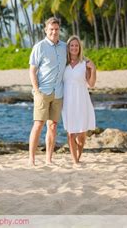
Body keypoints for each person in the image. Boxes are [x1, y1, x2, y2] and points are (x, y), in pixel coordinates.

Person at [28, 17, 67, 166]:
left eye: (56, 29)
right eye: (51, 29)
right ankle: (31, 159)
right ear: (46, 30)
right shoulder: (39, 47)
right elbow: (32, 70)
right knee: (38, 124)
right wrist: (36, 91)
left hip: (58, 92)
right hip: (43, 92)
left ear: (59, 30)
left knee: (53, 126)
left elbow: (75, 57)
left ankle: (48, 159)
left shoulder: (64, 46)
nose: (54, 32)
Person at [61, 35, 97, 164]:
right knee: (71, 133)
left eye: (76, 45)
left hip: (82, 100)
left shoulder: (84, 63)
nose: (74, 48)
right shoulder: (63, 63)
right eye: (72, 45)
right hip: (68, 102)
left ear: (79, 47)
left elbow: (91, 84)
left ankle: (79, 155)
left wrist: (93, 69)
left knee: (82, 135)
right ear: (68, 48)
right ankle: (75, 161)